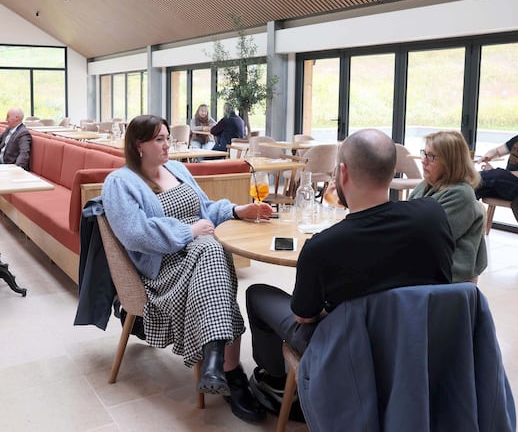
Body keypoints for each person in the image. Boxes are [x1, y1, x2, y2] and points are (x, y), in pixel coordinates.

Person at [245, 129, 454, 419]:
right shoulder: (433, 215)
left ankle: (276, 383)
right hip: (422, 341)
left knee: (258, 294)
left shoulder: (322, 247)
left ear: (342, 173)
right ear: (393, 171)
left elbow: (304, 316)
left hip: (353, 351)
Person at [102, 114, 274, 423]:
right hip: (164, 270)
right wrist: (188, 233)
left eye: (168, 138)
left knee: (212, 252)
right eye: (159, 139)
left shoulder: (177, 169)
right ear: (138, 145)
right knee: (213, 249)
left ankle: (214, 362)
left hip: (199, 263)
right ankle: (230, 372)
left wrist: (237, 210)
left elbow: (205, 210)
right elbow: (135, 233)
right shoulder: (120, 182)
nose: (168, 145)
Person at [410, 131, 487, 283]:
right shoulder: (425, 185)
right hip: (427, 262)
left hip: (450, 271)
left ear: (450, 162)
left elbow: (428, 238)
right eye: (424, 154)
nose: (423, 161)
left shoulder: (461, 194)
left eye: (431, 157)